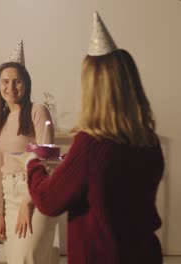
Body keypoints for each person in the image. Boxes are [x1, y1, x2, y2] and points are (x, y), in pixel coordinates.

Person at [25, 12, 164, 264]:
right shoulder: (149, 141)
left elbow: (48, 201)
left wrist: (32, 164)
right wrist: (69, 163)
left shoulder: (91, 144)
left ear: (93, 88)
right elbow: (114, 185)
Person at [0, 41, 59, 264]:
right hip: (9, 195)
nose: (11, 87)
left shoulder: (38, 111)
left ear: (26, 84)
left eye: (17, 81)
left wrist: (27, 203)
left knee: (27, 259)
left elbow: (45, 160)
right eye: (5, 81)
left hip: (34, 193)